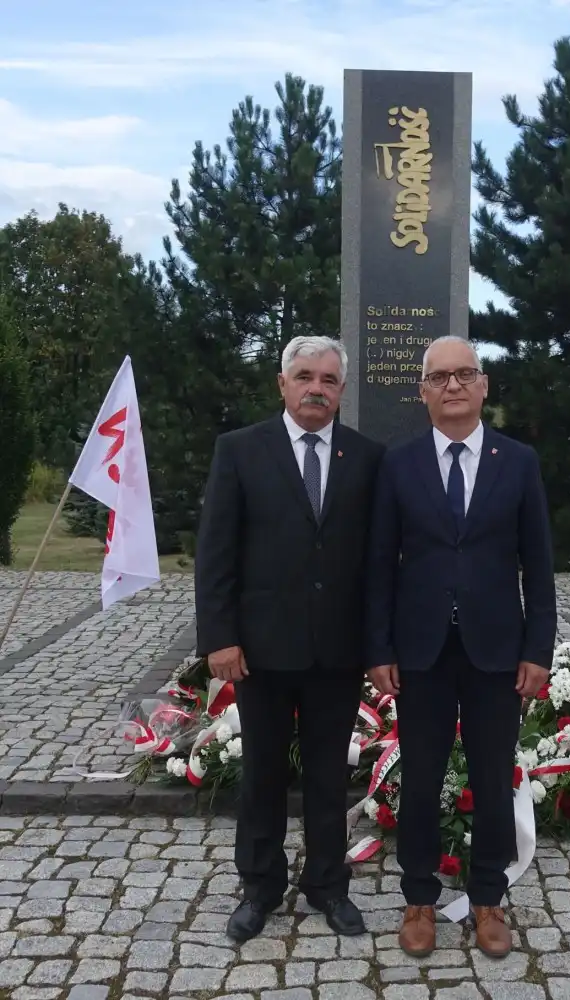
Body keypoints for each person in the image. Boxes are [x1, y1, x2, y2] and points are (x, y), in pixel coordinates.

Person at [366, 335, 556, 959]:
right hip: (420, 652)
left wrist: (538, 649)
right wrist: (379, 647)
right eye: (439, 377)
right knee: (421, 779)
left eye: (464, 374)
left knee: (493, 778)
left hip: (496, 651)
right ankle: (419, 898)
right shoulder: (398, 464)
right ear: (422, 391)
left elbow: (539, 564)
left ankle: (488, 899)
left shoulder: (518, 461)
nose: (453, 385)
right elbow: (379, 565)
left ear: (483, 386)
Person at [195, 335, 384, 943]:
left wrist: (378, 645)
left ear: (342, 390)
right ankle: (260, 887)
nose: (315, 389)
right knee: (263, 775)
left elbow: (378, 562)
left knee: (330, 776)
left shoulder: (367, 457)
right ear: (282, 383)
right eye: (304, 377)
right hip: (262, 650)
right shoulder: (240, 450)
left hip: (337, 650)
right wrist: (220, 637)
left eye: (328, 380)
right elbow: (216, 552)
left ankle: (328, 885)